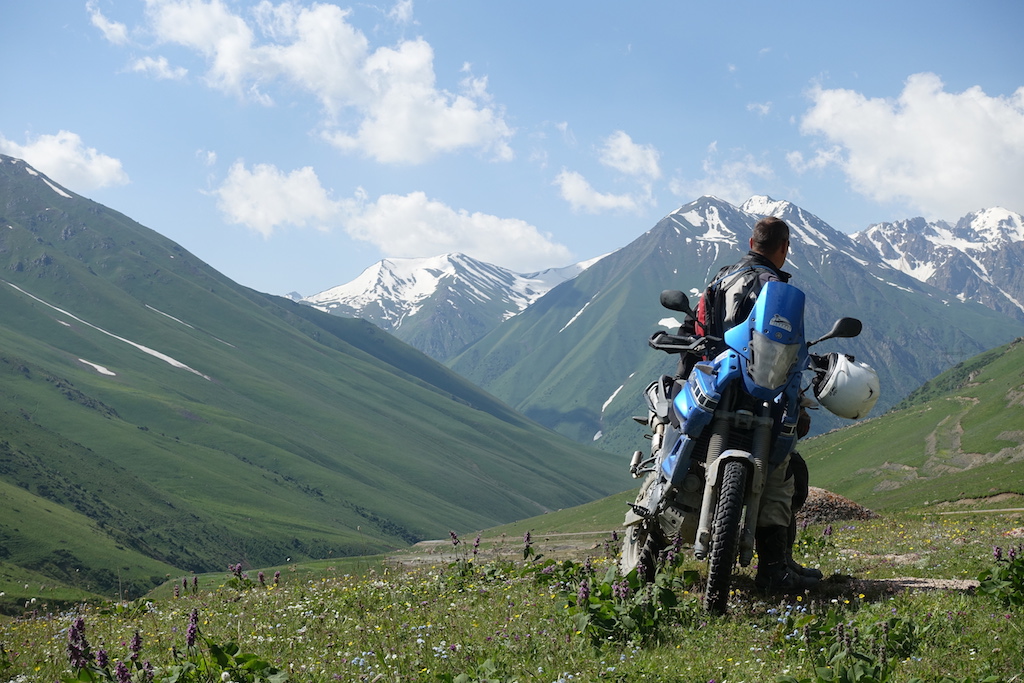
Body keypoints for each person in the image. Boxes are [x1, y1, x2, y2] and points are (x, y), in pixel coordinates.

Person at [679, 216, 820, 591]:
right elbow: (786, 349)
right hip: (758, 397)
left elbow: (696, 328)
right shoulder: (775, 290)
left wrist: (688, 374)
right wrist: (798, 399)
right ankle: (774, 566)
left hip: (713, 388)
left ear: (750, 242)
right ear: (784, 248)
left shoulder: (720, 278)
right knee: (782, 471)